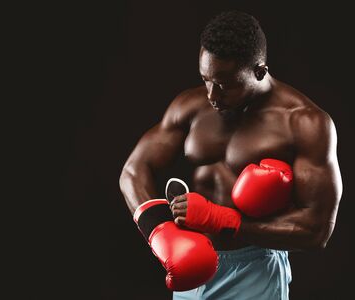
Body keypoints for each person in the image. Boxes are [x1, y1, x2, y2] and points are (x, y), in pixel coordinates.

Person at [119, 10, 342, 300]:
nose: (212, 95)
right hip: (189, 259)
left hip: (253, 270)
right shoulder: (190, 106)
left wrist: (223, 220)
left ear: (259, 71)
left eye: (224, 84)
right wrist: (161, 232)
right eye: (206, 79)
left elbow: (316, 231)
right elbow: (134, 171)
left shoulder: (304, 123)